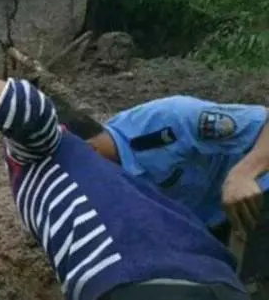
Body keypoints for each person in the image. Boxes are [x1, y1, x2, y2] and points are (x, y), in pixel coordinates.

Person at [0, 54, 248, 300]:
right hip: (218, 281)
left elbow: (27, 106)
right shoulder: (127, 187)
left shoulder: (48, 150)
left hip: (141, 282)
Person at [85, 96, 269, 295]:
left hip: (257, 193)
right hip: (206, 231)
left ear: (90, 149)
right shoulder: (95, 190)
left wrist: (243, 174)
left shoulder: (168, 120)